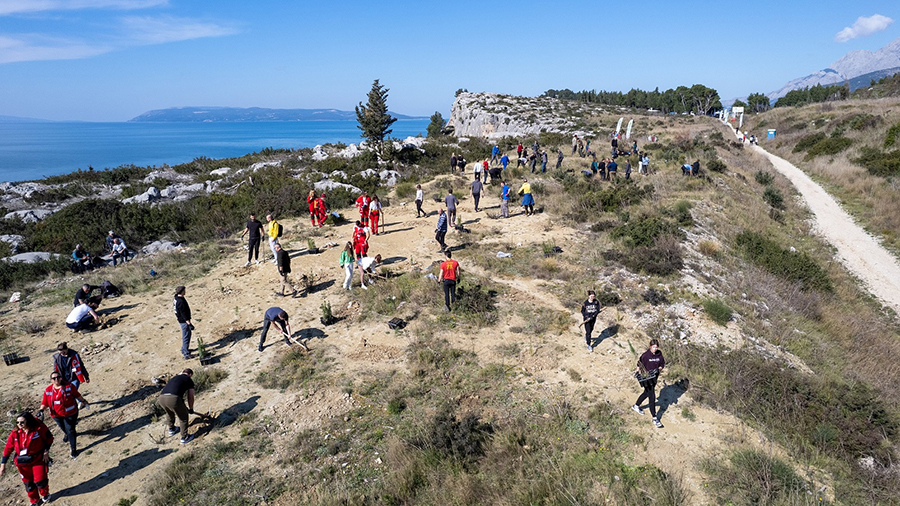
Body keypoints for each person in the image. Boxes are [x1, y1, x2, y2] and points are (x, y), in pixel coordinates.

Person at [1, 412, 54, 505]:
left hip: (38, 459)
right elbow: (8, 448)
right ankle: (35, 500)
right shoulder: (15, 433)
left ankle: (45, 494)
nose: (19, 425)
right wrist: (3, 464)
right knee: (28, 484)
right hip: (22, 462)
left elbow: (49, 439)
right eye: (17, 422)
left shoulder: (39, 428)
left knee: (40, 480)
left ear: (28, 421)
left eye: (22, 422)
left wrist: (46, 451)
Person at [40, 371, 88, 459]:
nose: (56, 379)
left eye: (58, 377)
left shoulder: (69, 386)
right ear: (51, 380)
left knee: (70, 430)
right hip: (56, 415)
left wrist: (84, 401)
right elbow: (45, 402)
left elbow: (77, 395)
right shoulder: (48, 390)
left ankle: (73, 449)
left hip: (70, 413)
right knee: (64, 428)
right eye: (54, 378)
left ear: (61, 378)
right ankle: (67, 434)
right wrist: (41, 410)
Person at [632, 338, 665, 429]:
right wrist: (636, 372)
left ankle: (636, 406)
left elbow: (662, 363)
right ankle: (655, 418)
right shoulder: (646, 355)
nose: (655, 349)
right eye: (653, 347)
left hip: (654, 378)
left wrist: (659, 368)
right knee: (652, 396)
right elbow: (639, 364)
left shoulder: (659, 354)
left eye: (656, 347)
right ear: (650, 346)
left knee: (646, 393)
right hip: (646, 379)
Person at [158, 369, 196, 444]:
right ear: (190, 374)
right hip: (174, 398)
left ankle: (172, 429)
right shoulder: (188, 379)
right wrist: (191, 409)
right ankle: (184, 437)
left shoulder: (175, 378)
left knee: (169, 412)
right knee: (183, 417)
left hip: (161, 398)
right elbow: (190, 396)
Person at [173, 286, 194, 359]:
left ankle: (184, 349)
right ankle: (186, 354)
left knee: (186, 335)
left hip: (181, 320)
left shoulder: (176, 298)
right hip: (184, 321)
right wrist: (189, 323)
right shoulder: (180, 302)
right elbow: (183, 313)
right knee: (186, 336)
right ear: (182, 292)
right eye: (184, 290)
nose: (185, 291)